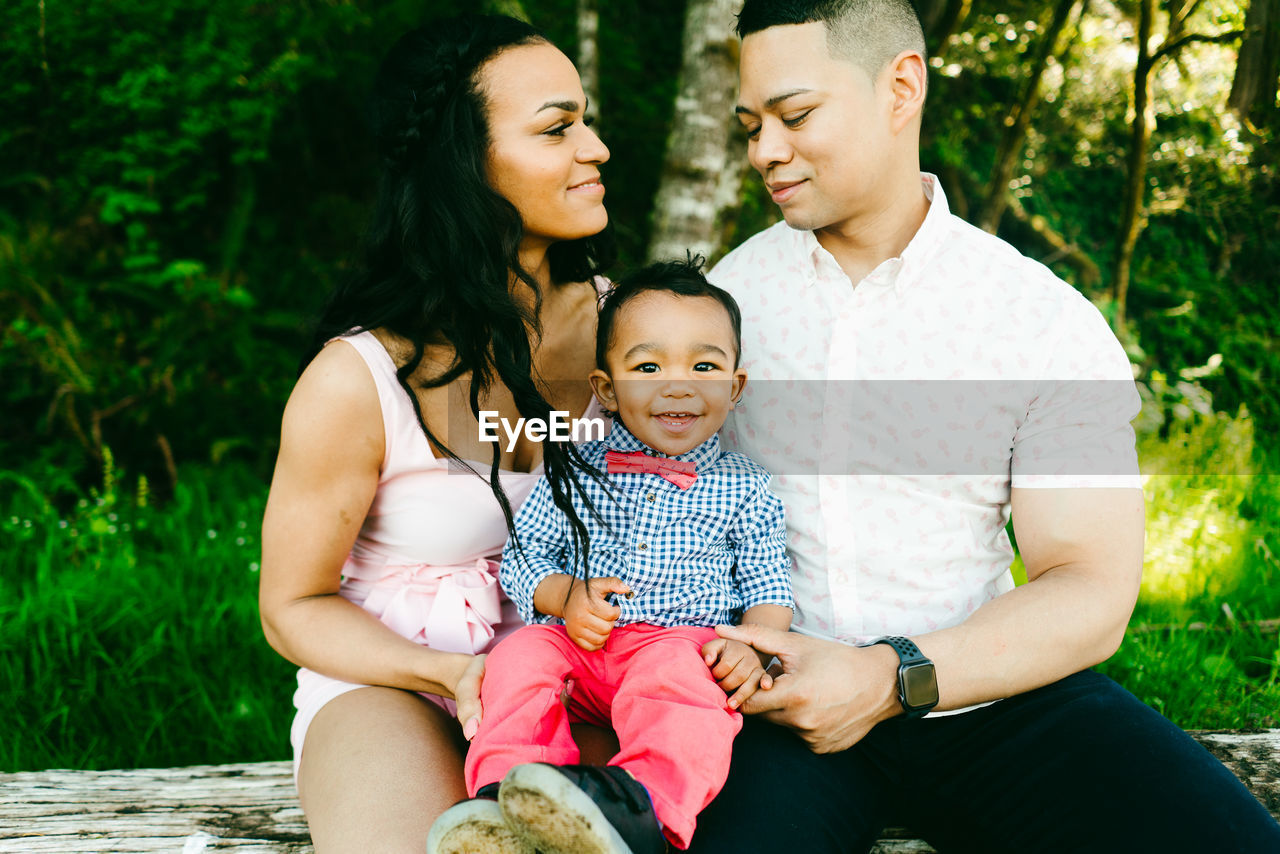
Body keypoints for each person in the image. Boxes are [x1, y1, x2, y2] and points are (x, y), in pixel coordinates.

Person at [686, 1, 1280, 852]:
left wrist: (889, 677)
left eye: (796, 115)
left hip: (987, 697)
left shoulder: (1038, 319)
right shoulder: (723, 307)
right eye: (751, 125)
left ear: (902, 87)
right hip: (775, 706)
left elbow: (1089, 588)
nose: (765, 151)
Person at [257, 13, 621, 853]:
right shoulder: (357, 379)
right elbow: (290, 606)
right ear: (463, 162)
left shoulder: (628, 332)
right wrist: (454, 676)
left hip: (580, 672)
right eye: (558, 129)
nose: (596, 148)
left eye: (586, 121)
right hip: (395, 682)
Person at [427, 259, 794, 854]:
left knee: (684, 685)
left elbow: (768, 588)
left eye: (704, 366)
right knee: (519, 656)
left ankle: (639, 808)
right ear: (607, 388)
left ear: (735, 386)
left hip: (677, 643)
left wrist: (749, 647)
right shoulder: (573, 466)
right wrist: (567, 597)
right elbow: (524, 558)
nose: (678, 385)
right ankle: (506, 795)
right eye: (648, 367)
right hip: (579, 643)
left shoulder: (746, 486)